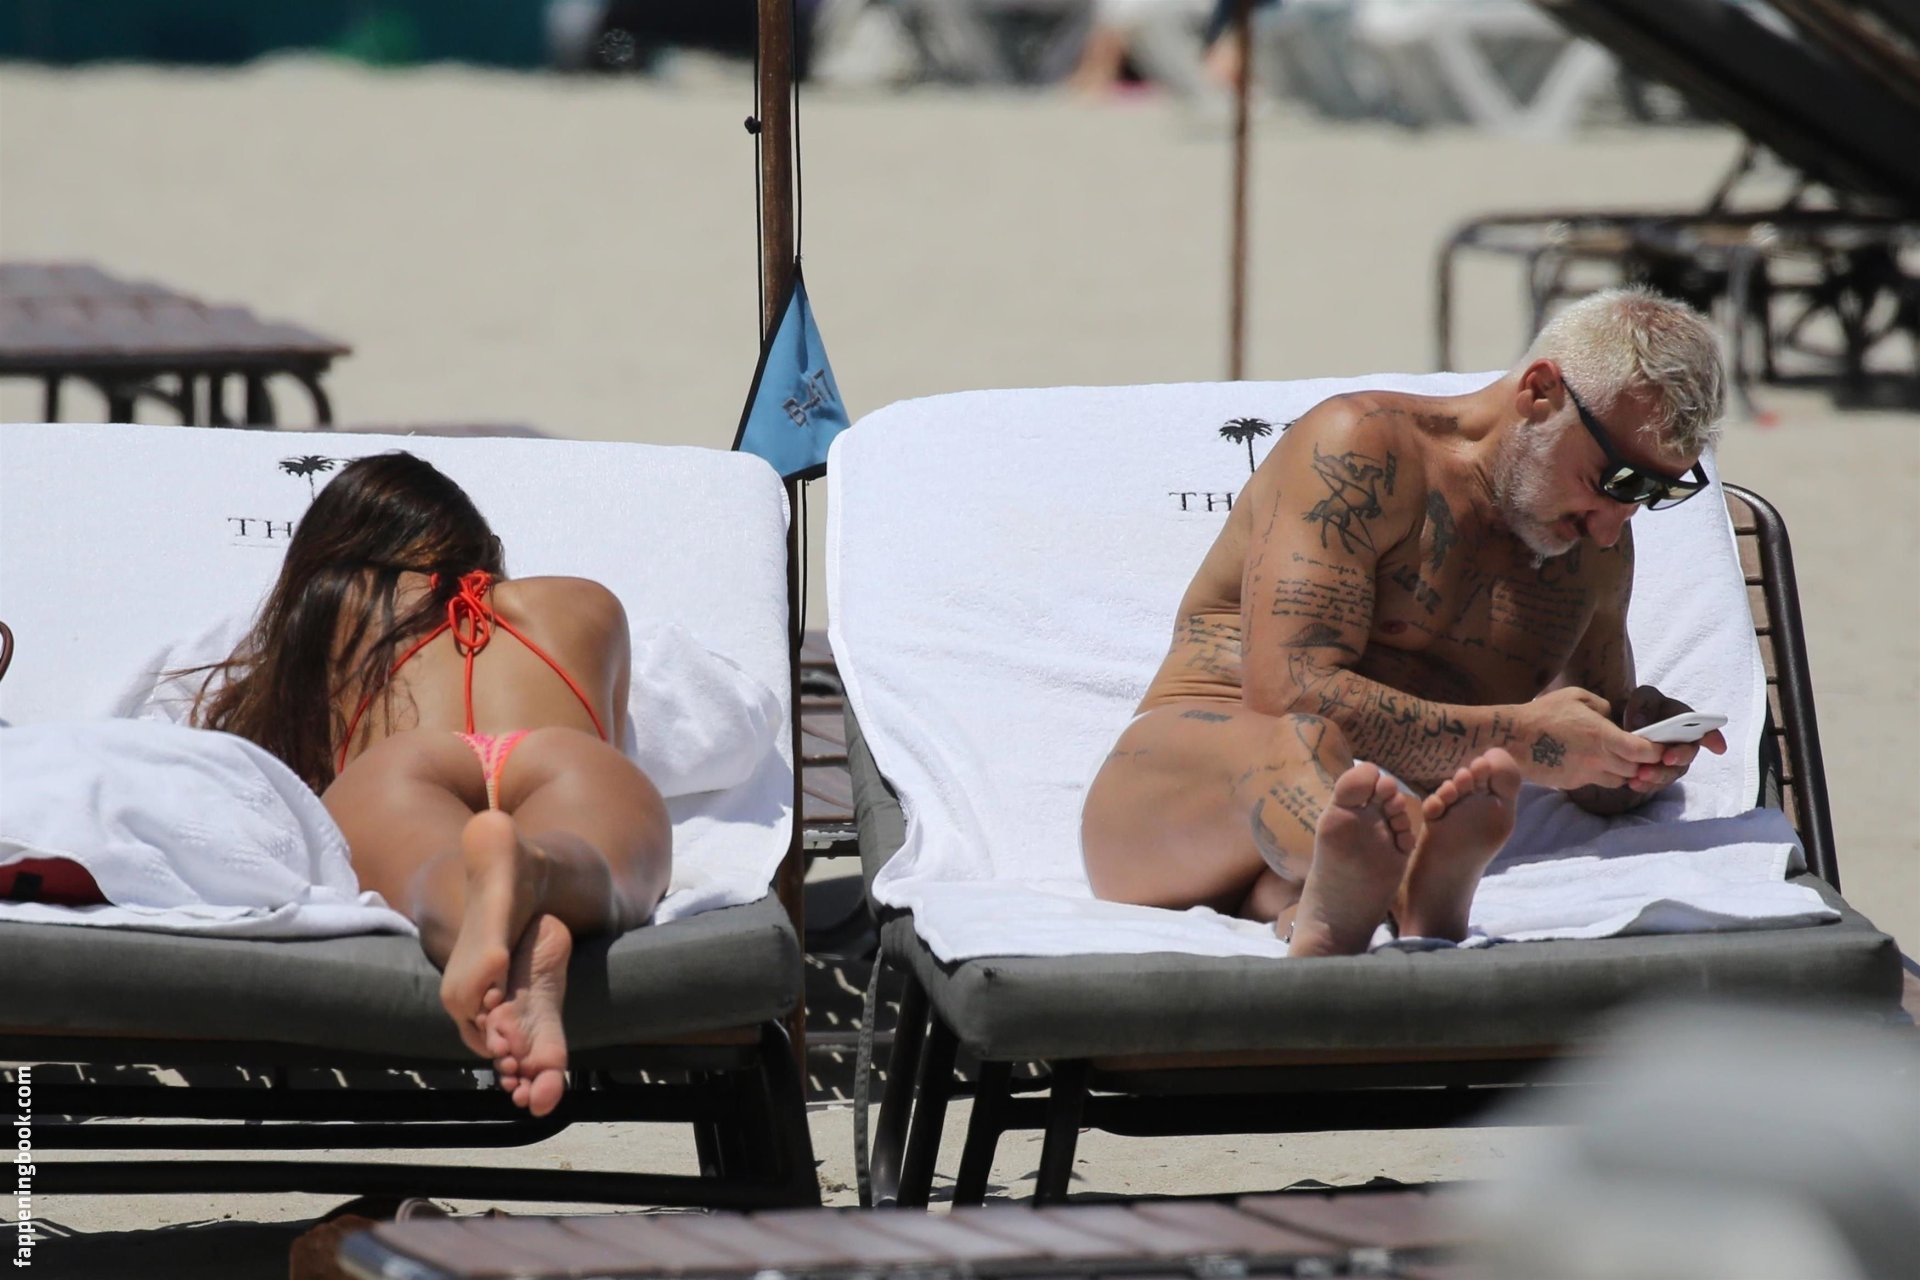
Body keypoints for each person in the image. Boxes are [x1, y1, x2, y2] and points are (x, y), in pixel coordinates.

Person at [1081, 287, 1730, 957]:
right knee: (1304, 743)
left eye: (1657, 493)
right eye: (1617, 480)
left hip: (1355, 836)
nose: (1615, 522)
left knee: (1355, 823)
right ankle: (1415, 889)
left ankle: (1331, 907)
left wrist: (1633, 755)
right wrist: (1524, 739)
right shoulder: (1362, 451)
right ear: (1540, 393)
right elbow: (1285, 692)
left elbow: (1584, 765)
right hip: (1172, 807)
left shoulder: (1593, 550)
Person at [187, 452, 670, 1117]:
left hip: (408, 765)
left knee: (429, 876)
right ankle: (541, 872)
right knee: (598, 865)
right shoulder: (584, 603)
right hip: (558, 753)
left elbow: (303, 773)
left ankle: (476, 899)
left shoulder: (339, 603)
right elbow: (612, 741)